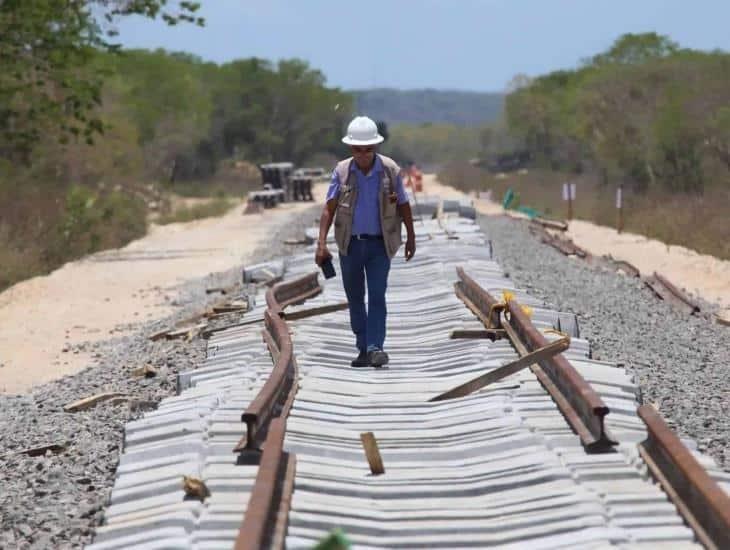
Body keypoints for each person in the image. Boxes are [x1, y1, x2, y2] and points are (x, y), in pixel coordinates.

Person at [315, 116, 416, 367]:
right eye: (358, 150)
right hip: (349, 245)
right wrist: (321, 243)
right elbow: (329, 208)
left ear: (376, 148)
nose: (363, 154)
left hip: (380, 246)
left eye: (368, 149)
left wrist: (411, 237)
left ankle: (375, 347)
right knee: (355, 297)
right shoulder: (342, 171)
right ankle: (363, 347)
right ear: (351, 148)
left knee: (378, 294)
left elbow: (403, 204)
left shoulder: (390, 170)